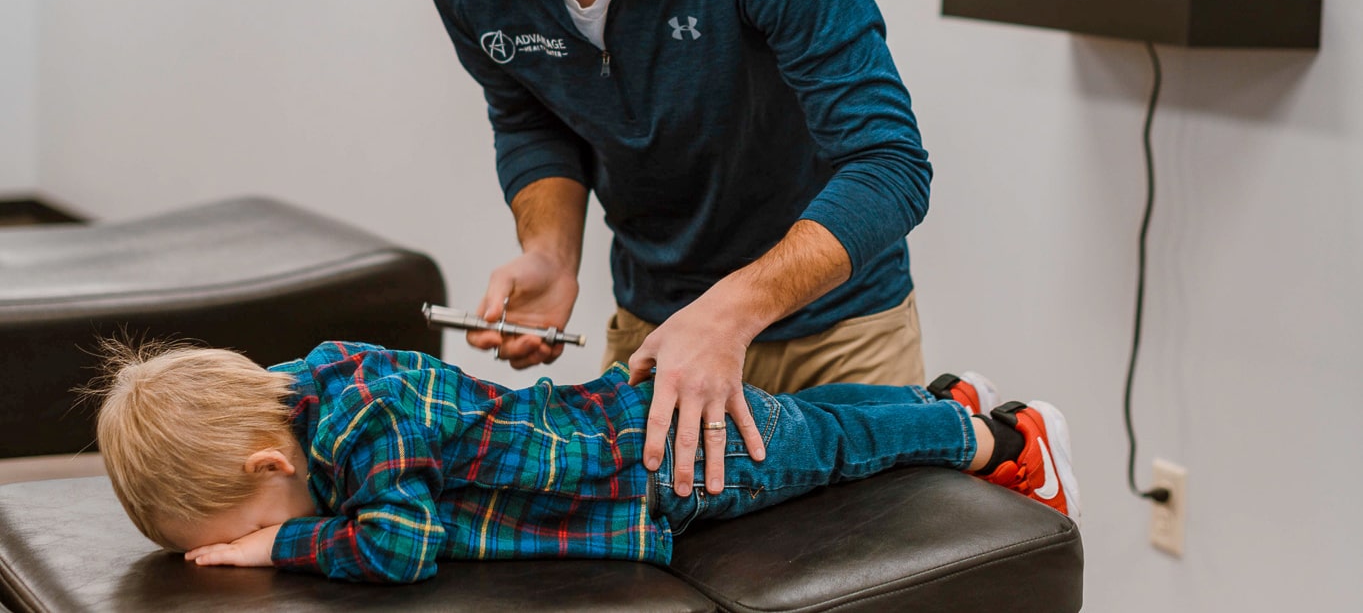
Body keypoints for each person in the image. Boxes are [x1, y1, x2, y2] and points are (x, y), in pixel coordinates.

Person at [369, 0, 934, 500]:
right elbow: (532, 120)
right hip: (656, 331)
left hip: (836, 335)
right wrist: (550, 253)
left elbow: (890, 165)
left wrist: (730, 310)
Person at [90, 338, 1080, 584]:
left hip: (667, 461)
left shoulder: (361, 428)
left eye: (243, 517)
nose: (251, 534)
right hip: (617, 420)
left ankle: (997, 436)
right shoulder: (305, 381)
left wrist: (281, 547)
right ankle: (936, 401)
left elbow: (399, 543)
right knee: (813, 418)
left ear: (271, 464)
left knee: (824, 443)